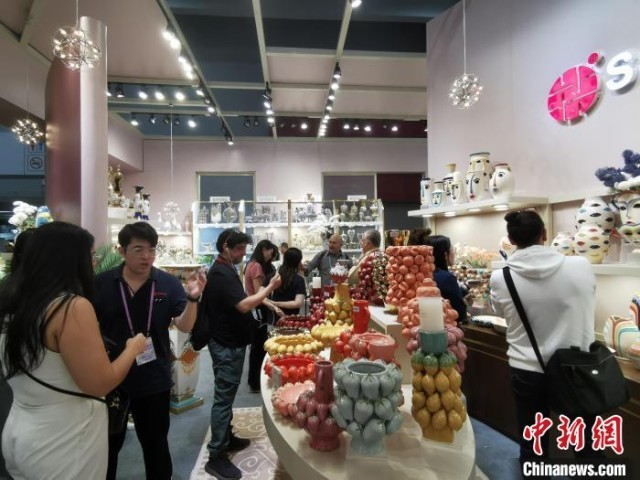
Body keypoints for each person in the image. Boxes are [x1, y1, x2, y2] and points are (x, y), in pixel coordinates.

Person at [0, 221, 147, 480]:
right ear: (71, 260)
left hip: (20, 429)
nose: (94, 263)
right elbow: (100, 383)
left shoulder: (12, 301)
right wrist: (132, 349)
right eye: (90, 256)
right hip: (64, 438)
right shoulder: (70, 307)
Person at [489, 210, 604, 467]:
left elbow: (501, 312)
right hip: (577, 368)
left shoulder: (501, 277)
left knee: (534, 446)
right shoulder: (581, 265)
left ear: (511, 240)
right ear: (544, 234)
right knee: (587, 445)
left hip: (527, 368)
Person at [93, 222, 206, 480]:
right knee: (107, 449)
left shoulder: (167, 282)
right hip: (111, 379)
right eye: (138, 250)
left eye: (152, 250)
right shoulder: (101, 283)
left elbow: (184, 325)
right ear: (121, 251)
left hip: (153, 377)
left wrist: (193, 298)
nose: (147, 256)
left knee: (156, 446)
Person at [202, 228, 281, 480]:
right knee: (223, 398)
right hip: (225, 344)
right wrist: (269, 288)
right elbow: (244, 304)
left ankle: (226, 437)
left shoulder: (225, 269)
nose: (242, 254)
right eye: (238, 249)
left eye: (245, 249)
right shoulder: (221, 272)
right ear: (226, 247)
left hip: (229, 341)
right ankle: (216, 455)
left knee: (227, 394)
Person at [244, 239, 278, 393]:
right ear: (264, 249)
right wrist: (274, 306)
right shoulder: (257, 266)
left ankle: (254, 380)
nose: (271, 256)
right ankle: (255, 381)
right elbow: (260, 294)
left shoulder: (250, 264)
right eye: (271, 252)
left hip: (253, 309)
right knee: (258, 347)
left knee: (256, 346)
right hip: (257, 309)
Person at [423, 235, 467, 323]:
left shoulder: (424, 275)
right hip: (445, 327)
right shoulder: (447, 278)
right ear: (445, 254)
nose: (454, 253)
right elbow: (460, 313)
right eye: (452, 250)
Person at [264, 247, 306, 316]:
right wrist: (276, 304)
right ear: (298, 263)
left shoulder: (272, 276)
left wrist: (274, 304)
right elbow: (298, 303)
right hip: (291, 318)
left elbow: (260, 295)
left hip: (272, 317)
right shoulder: (299, 280)